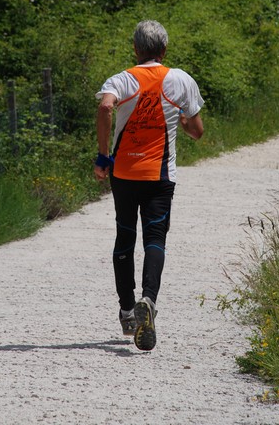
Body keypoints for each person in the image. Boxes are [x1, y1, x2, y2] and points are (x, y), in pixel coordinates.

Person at [94, 20, 204, 351]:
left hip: (124, 174)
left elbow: (104, 106)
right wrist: (182, 122)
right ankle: (149, 300)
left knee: (125, 235)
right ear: (164, 50)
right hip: (160, 177)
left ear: (135, 49)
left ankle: (128, 311)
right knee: (155, 238)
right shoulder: (181, 80)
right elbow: (197, 131)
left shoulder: (122, 79)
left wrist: (102, 157)